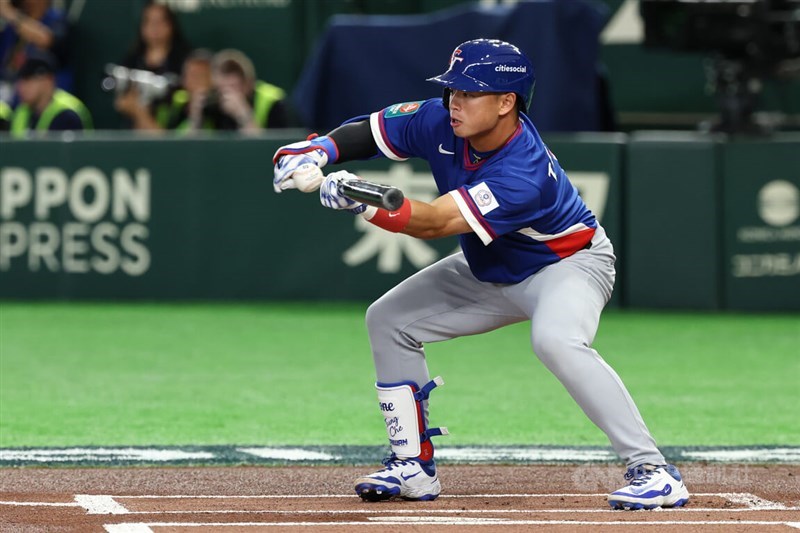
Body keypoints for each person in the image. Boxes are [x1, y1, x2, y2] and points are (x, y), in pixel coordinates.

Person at [272, 39, 690, 510]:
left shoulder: (523, 172)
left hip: (566, 265)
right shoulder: (440, 119)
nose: (455, 101)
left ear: (506, 102)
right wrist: (315, 151)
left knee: (556, 341)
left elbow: (435, 222)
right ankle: (412, 468)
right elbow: (368, 132)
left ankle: (653, 470)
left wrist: (361, 199)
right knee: (388, 320)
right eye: (453, 89)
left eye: (469, 92)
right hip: (490, 266)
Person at [114, 0, 189, 129]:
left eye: (159, 22)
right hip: (134, 130)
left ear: (171, 25)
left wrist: (140, 111)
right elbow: (121, 102)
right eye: (149, 21)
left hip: (171, 128)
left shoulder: (184, 60)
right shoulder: (132, 59)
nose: (154, 28)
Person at [0, 0, 72, 100]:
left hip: (37, 93)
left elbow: (45, 39)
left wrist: (9, 13)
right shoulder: (13, 24)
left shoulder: (56, 19)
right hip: (7, 84)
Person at [9, 51, 91, 136]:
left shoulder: (68, 116)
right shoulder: (20, 112)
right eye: (19, 81)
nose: (21, 87)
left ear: (48, 81)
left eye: (28, 80)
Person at [207, 48, 289, 132]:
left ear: (248, 83)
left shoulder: (272, 102)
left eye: (234, 86)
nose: (228, 94)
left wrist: (243, 114)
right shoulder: (210, 105)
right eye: (223, 87)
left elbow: (270, 140)